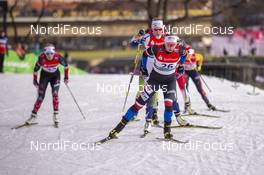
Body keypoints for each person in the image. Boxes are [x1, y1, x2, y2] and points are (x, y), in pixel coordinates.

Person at [107, 35, 187, 140]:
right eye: (168, 45)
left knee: (169, 105)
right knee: (139, 104)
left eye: (173, 45)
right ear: (164, 43)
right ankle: (117, 129)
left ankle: (167, 132)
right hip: (154, 80)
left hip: (169, 81)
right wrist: (144, 68)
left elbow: (184, 55)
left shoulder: (180, 50)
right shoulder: (157, 48)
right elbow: (145, 54)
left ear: (176, 45)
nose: (170, 47)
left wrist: (181, 65)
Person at [130, 19, 165, 126]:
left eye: (160, 29)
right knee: (142, 90)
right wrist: (137, 36)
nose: (158, 32)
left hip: (158, 70)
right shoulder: (147, 37)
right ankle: (134, 112)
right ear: (152, 29)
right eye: (155, 30)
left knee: (155, 91)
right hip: (145, 69)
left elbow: (178, 45)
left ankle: (154, 114)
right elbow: (132, 44)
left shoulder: (166, 37)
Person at [25, 44, 69, 128]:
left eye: (51, 53)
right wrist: (34, 80)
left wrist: (66, 77)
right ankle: (33, 116)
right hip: (44, 76)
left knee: (55, 94)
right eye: (47, 54)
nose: (49, 55)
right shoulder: (41, 58)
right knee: (40, 97)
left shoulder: (58, 57)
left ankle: (56, 115)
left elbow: (66, 65)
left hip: (55, 76)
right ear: (45, 53)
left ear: (54, 53)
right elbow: (35, 70)